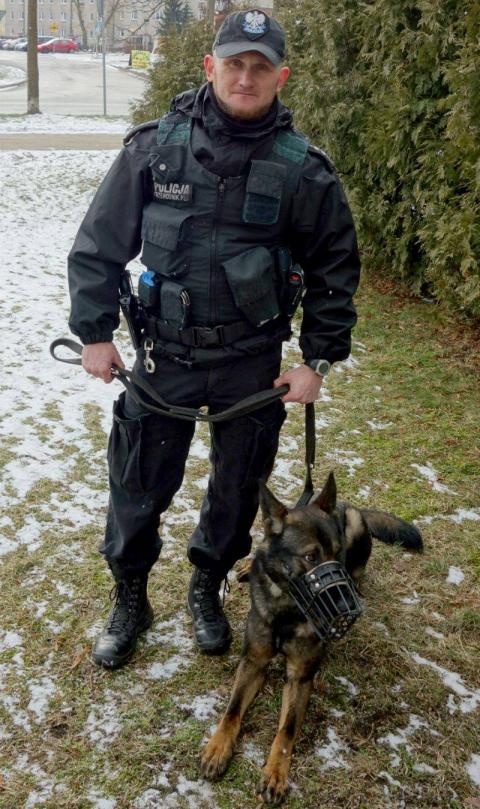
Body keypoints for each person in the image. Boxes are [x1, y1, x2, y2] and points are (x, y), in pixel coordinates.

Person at [67, 9, 361, 669]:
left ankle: (207, 585)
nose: (245, 77)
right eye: (234, 64)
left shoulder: (304, 169)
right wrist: (94, 333)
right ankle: (131, 595)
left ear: (281, 76)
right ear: (210, 67)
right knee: (138, 482)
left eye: (260, 67)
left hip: (250, 363)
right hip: (163, 355)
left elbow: (335, 267)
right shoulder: (154, 149)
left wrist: (316, 359)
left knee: (237, 489)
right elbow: (98, 245)